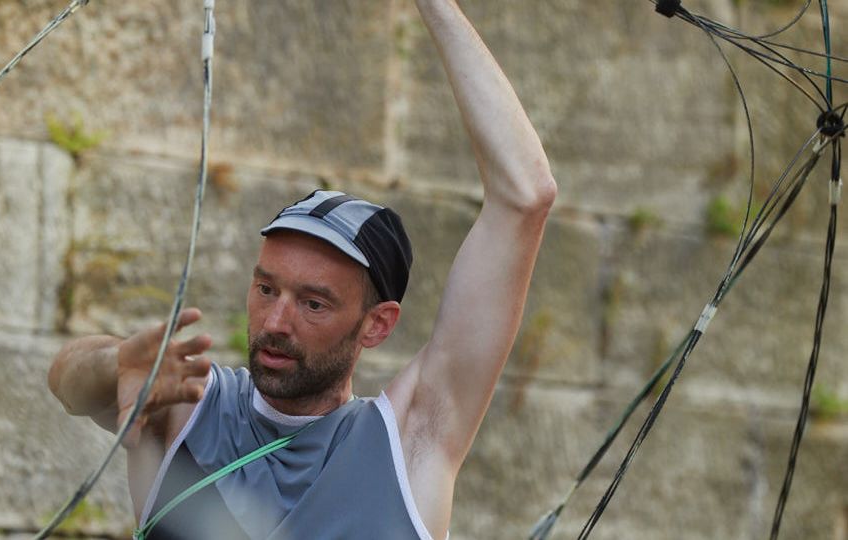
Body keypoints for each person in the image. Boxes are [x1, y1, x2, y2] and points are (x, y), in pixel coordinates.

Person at [48, 1, 556, 538]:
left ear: (377, 324)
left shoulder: (407, 442)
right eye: (266, 288)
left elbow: (526, 196)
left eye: (313, 303)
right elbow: (67, 377)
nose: (274, 322)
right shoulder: (188, 407)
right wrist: (112, 365)